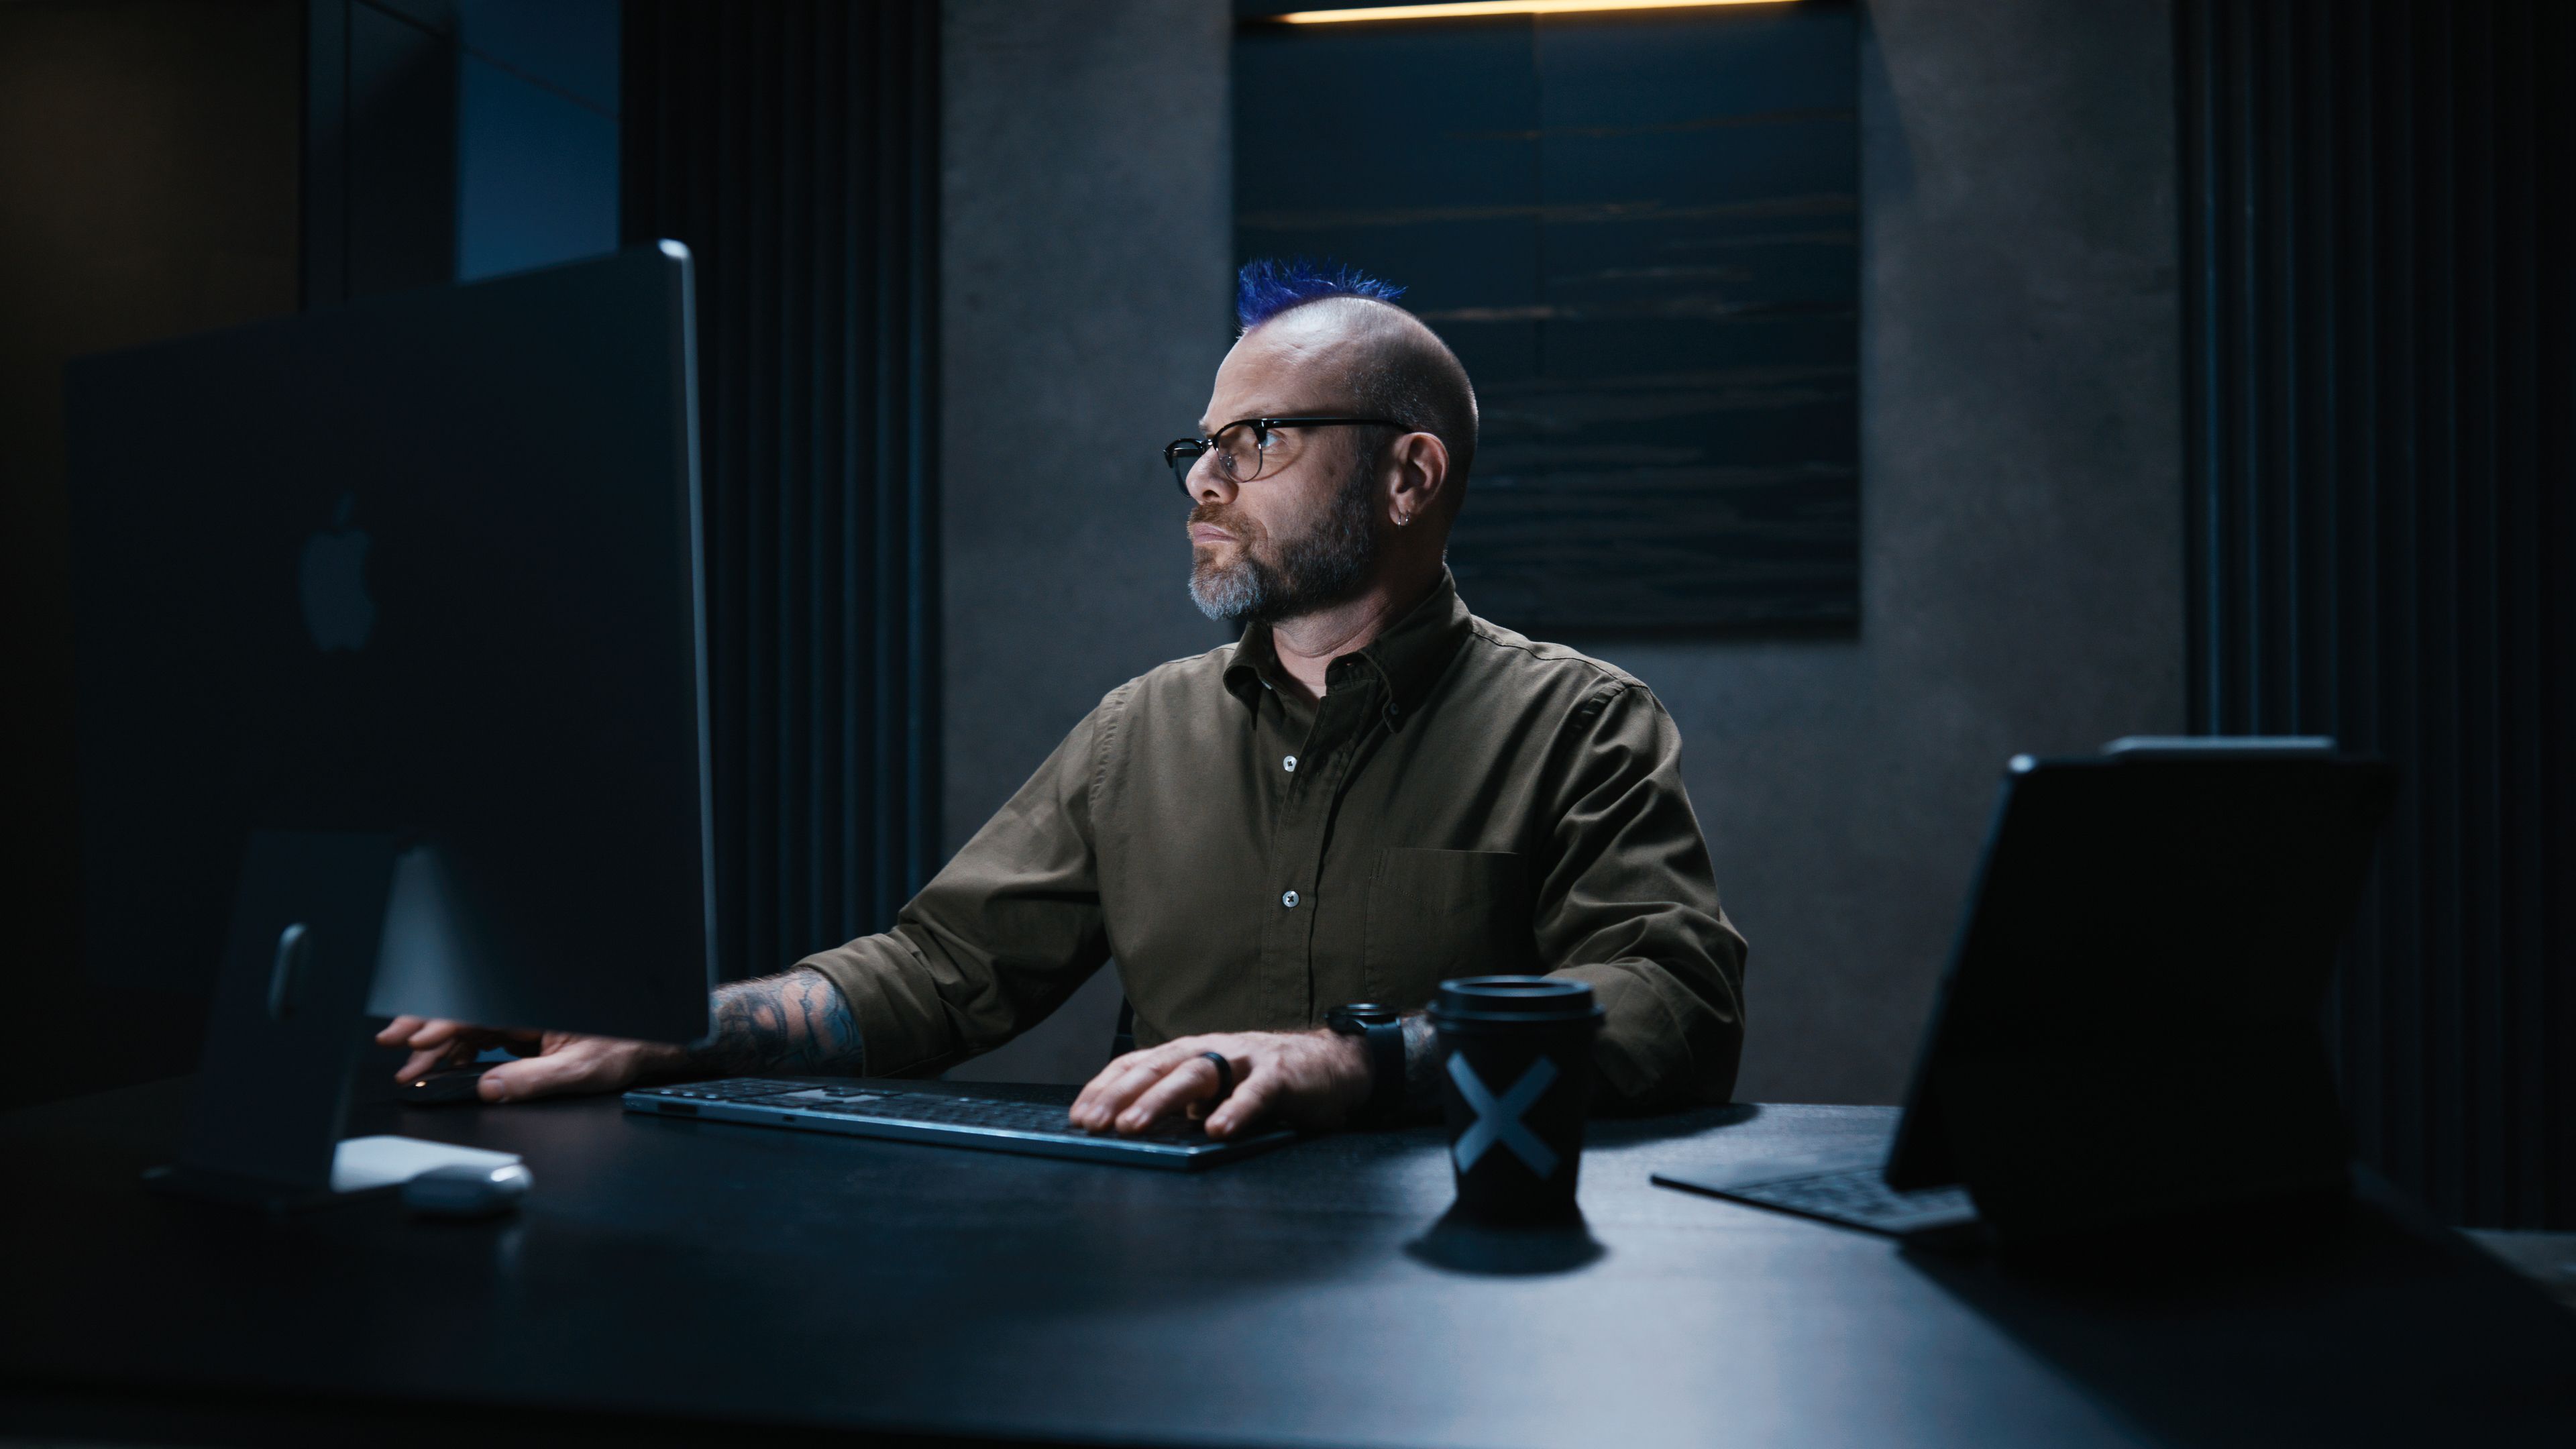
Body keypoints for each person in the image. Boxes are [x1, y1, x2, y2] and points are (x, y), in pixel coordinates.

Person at [382, 259, 1748, 1140]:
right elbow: (934, 976)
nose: (1204, 483)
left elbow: (1671, 1003)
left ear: (1409, 477)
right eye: (1198, 448)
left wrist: (1360, 1062)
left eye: (1257, 441)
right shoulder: (1135, 733)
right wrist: (678, 1019)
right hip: (1156, 1274)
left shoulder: (1580, 724)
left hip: (1461, 1288)